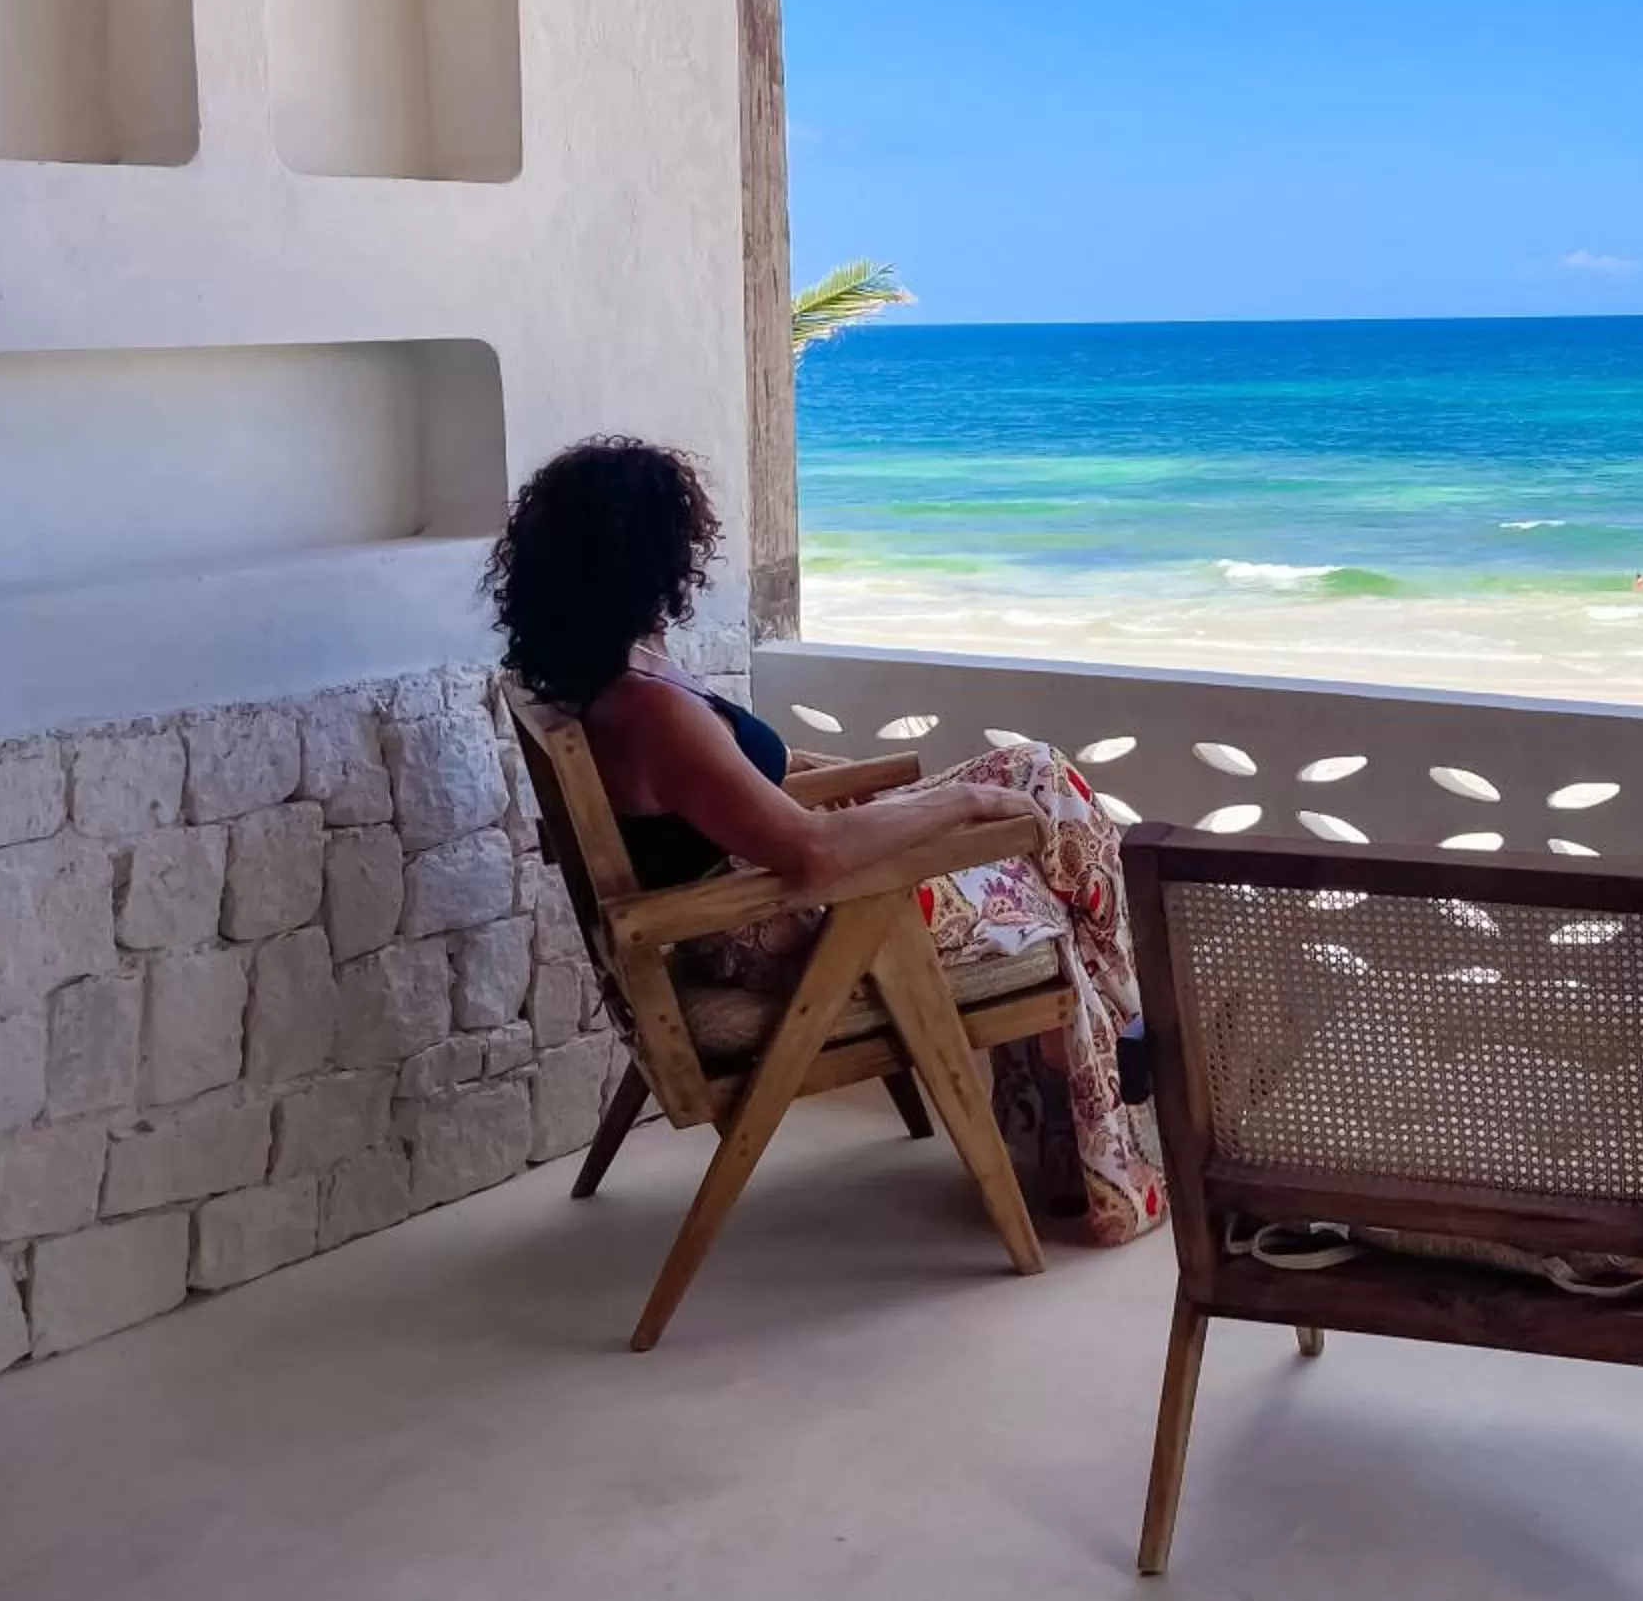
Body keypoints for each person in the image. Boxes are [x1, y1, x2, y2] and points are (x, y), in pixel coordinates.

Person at [486, 436, 1164, 1242]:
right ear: (649, 557)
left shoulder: (603, 672)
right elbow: (812, 854)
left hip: (758, 894)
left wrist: (910, 789)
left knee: (1036, 772)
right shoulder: (647, 710)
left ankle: (1115, 1032)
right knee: (1038, 857)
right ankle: (1121, 1032)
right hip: (794, 925)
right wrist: (962, 803)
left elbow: (737, 787)